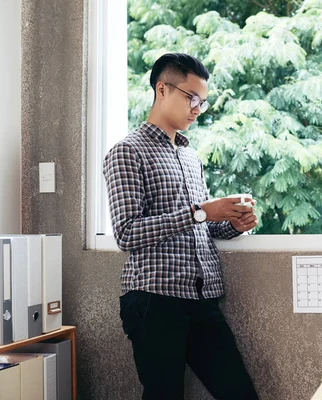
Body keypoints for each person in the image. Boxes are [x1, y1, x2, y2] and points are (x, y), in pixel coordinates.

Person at [103, 53, 259, 400]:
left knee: (240, 393)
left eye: (202, 102)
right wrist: (201, 212)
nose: (197, 108)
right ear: (162, 89)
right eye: (191, 98)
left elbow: (202, 226)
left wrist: (234, 222)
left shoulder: (190, 155)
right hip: (153, 301)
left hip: (202, 300)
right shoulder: (128, 151)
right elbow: (127, 232)